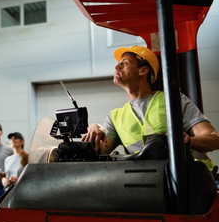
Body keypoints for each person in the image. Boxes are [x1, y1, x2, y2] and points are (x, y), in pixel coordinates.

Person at [82, 46, 219, 169]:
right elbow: (99, 152)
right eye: (118, 64)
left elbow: (214, 139)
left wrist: (190, 141)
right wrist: (95, 128)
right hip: (150, 185)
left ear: (143, 70)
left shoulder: (172, 100)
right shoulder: (115, 117)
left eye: (124, 63)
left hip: (193, 181)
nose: (117, 67)